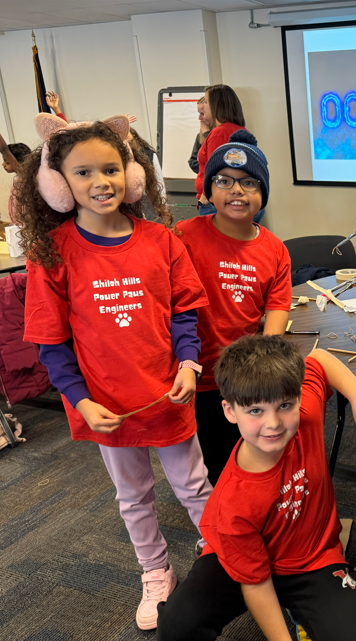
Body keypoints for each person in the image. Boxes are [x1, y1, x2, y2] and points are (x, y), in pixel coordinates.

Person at [16, 113, 213, 631]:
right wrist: (80, 400)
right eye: (83, 173)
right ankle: (156, 571)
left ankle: (221, 552)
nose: (100, 182)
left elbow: (184, 313)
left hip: (167, 394)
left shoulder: (161, 240)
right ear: (59, 184)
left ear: (130, 173)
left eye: (110, 169)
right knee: (134, 497)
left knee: (194, 486)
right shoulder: (52, 253)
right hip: (106, 405)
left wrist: (189, 364)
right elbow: (52, 342)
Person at [156, 335, 356, 641]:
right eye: (255, 411)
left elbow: (320, 359)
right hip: (243, 564)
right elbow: (256, 583)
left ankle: (303, 614)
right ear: (229, 411)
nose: (274, 423)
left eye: (284, 405)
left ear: (298, 398)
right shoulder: (232, 503)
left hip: (312, 559)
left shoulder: (304, 414)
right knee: (176, 626)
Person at [177, 130, 292, 485]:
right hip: (197, 376)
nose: (237, 191)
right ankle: (219, 514)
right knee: (210, 461)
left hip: (243, 376)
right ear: (208, 191)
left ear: (262, 195)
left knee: (252, 453)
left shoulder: (275, 249)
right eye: (224, 181)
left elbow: (277, 307)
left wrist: (265, 368)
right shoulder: (182, 236)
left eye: (249, 183)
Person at [194, 85, 246, 216]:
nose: (203, 106)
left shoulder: (219, 133)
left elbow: (215, 169)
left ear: (217, 105)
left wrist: (205, 198)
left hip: (216, 203)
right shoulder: (238, 129)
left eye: (206, 102)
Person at [188, 96, 211, 174]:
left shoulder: (220, 134)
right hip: (203, 179)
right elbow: (192, 162)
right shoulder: (200, 136)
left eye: (202, 114)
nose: (199, 118)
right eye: (199, 113)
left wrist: (207, 134)